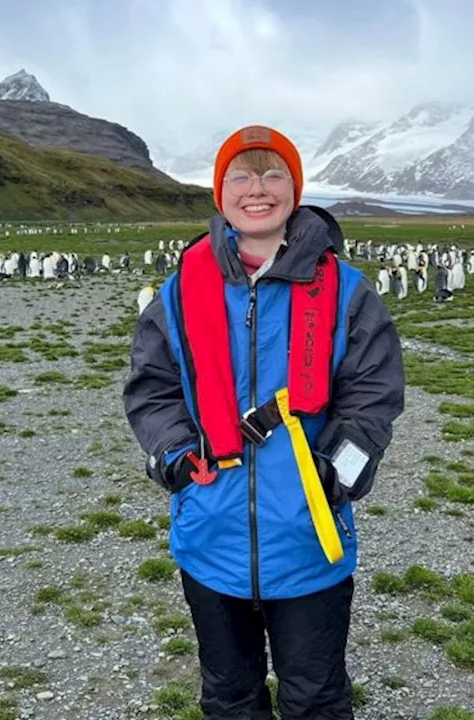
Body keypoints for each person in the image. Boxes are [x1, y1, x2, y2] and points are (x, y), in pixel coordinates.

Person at [122, 125, 406, 720]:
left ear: (295, 190)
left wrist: (341, 470)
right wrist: (174, 453)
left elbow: (373, 395)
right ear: (220, 193)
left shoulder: (346, 294)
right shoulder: (178, 295)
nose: (258, 189)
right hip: (210, 535)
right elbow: (154, 388)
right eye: (240, 176)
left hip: (308, 538)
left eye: (273, 174)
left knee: (316, 698)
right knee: (228, 696)